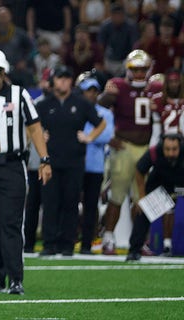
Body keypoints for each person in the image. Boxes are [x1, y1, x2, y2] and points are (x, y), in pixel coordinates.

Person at [0, 48, 51, 295]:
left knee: (11, 223)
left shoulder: (19, 94)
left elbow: (35, 127)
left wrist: (45, 159)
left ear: (4, 72)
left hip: (13, 164)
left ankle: (15, 278)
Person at [36, 65, 107, 256]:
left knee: (71, 203)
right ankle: (49, 244)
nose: (64, 82)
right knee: (50, 203)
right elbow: (30, 125)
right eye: (60, 78)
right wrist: (39, 134)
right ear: (53, 81)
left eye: (67, 78)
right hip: (49, 162)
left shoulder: (81, 103)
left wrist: (89, 137)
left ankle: (67, 244)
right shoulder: (43, 104)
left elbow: (101, 123)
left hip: (74, 162)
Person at [98, 49, 154, 255]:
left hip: (146, 149)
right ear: (128, 70)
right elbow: (99, 108)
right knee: (117, 195)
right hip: (123, 147)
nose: (139, 74)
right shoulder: (118, 86)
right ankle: (108, 238)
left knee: (142, 198)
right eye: (135, 69)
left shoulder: (155, 87)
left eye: (143, 70)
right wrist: (108, 137)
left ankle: (140, 241)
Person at [126, 134, 184, 261]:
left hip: (181, 183)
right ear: (162, 147)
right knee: (144, 210)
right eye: (167, 149)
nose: (171, 153)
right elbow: (139, 170)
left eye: (174, 149)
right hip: (160, 184)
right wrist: (141, 196)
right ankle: (134, 250)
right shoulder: (154, 152)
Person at [76, 77, 114, 254]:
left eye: (94, 90)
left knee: (91, 206)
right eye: (87, 90)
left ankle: (86, 244)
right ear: (82, 92)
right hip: (74, 166)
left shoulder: (105, 114)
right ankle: (69, 241)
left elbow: (108, 136)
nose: (91, 94)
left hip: (95, 166)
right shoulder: (74, 109)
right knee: (69, 204)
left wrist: (87, 137)